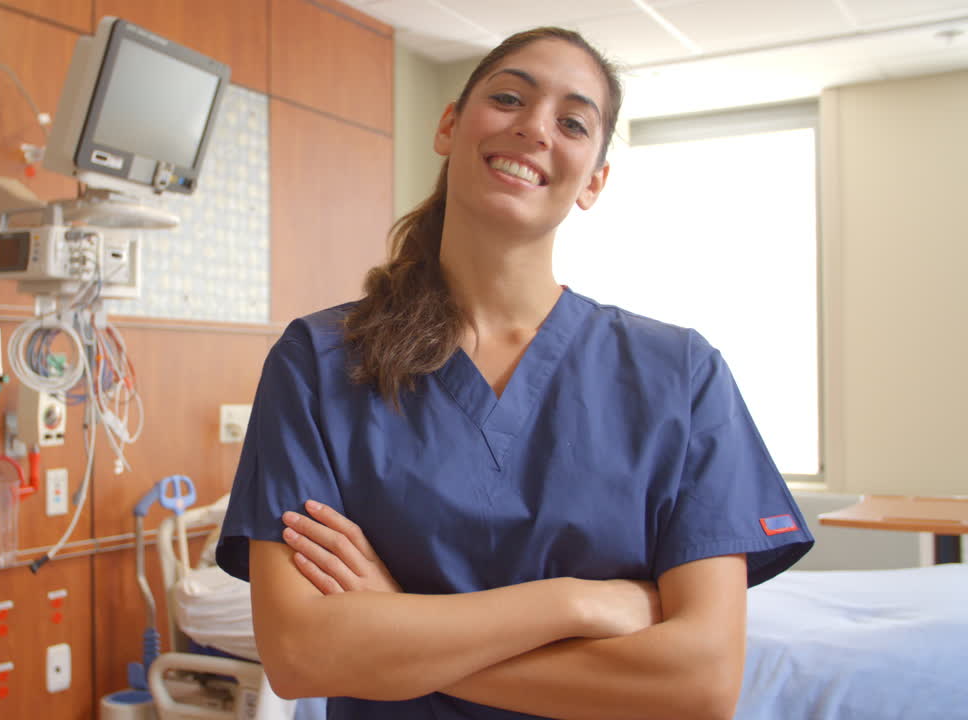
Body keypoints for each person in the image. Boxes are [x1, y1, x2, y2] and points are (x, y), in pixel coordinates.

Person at [216, 26, 813, 720]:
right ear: (449, 124)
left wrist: (397, 625)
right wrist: (574, 602)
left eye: (572, 123)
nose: (533, 129)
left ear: (594, 180)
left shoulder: (681, 374)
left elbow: (700, 682)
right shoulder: (320, 360)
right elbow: (300, 655)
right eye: (508, 98)